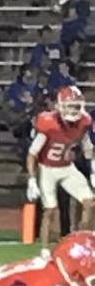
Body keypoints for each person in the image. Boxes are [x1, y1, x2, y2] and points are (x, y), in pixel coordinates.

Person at [25, 85, 94, 248]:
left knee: (90, 202)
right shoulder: (48, 123)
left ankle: (80, 242)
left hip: (67, 167)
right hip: (47, 169)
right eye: (69, 106)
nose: (73, 110)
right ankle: (44, 250)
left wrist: (93, 170)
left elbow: (88, 148)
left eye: (76, 106)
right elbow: (32, 153)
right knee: (50, 210)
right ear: (59, 105)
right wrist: (32, 179)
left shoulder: (83, 121)